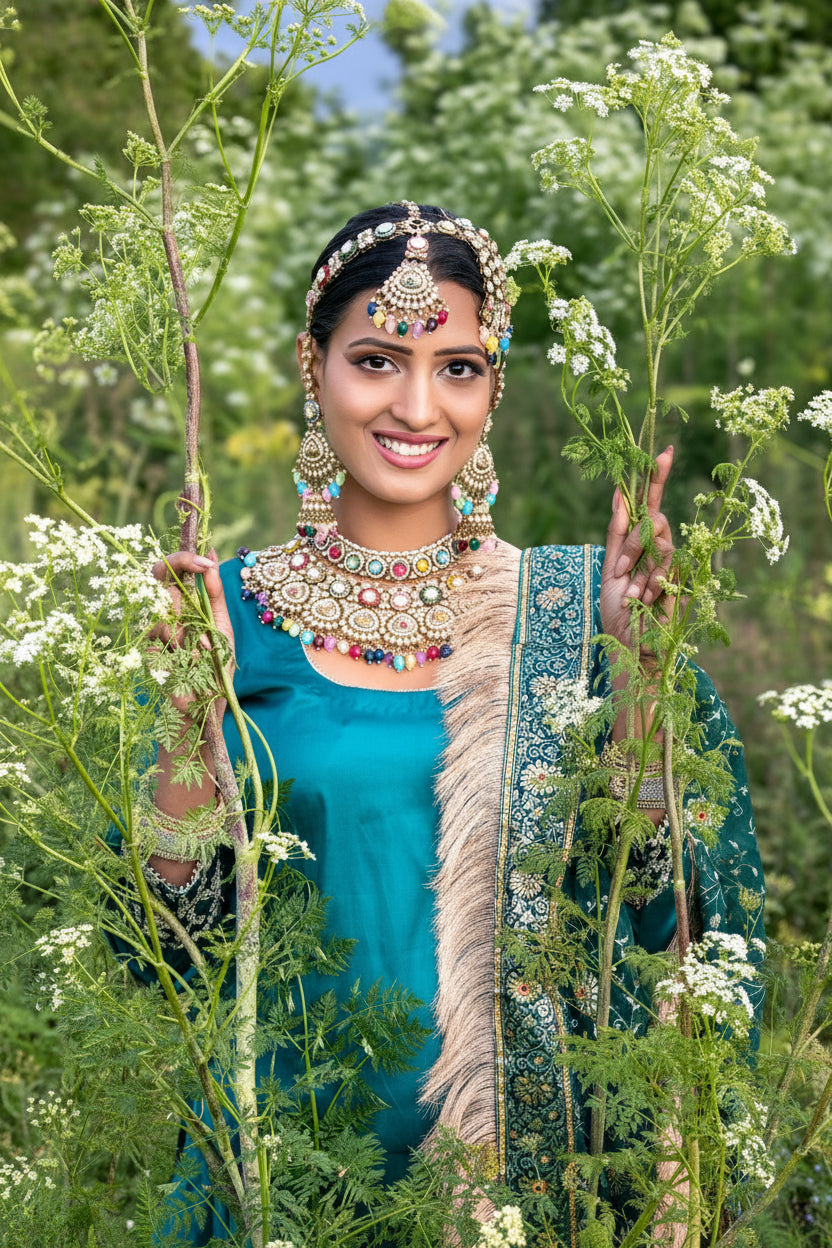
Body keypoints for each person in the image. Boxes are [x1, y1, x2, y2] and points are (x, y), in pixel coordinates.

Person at [142, 201, 765, 1245]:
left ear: (492, 384)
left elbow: (668, 932)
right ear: (314, 366)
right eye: (378, 360)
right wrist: (181, 718)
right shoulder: (224, 613)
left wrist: (639, 685)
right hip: (282, 1176)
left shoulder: (570, 614)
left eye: (459, 367)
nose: (418, 406)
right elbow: (170, 950)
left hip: (523, 1193)